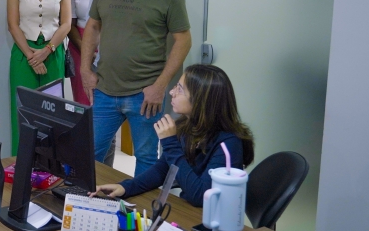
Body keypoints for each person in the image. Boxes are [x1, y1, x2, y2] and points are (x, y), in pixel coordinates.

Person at [81, 0, 192, 176]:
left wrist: (160, 86)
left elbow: (183, 40)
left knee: (146, 158)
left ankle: (140, 203)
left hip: (145, 94)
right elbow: (93, 27)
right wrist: (85, 70)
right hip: (104, 90)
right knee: (89, 153)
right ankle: (89, 199)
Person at [93, 65, 254, 206]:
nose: (171, 92)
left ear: (201, 100)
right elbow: (162, 170)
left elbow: (200, 196)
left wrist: (170, 143)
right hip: (190, 210)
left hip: (210, 219)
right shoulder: (188, 126)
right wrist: (126, 187)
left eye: (180, 89)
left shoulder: (229, 144)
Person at [6, 0, 72, 154]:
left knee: (53, 114)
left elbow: (66, 24)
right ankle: (22, 164)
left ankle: (51, 165)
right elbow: (13, 25)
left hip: (53, 52)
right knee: (23, 113)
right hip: (23, 54)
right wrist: (31, 56)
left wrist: (47, 50)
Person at [66, 0, 114, 106]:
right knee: (83, 100)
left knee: (106, 100)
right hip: (79, 46)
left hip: (109, 46)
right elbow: (70, 25)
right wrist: (87, 50)